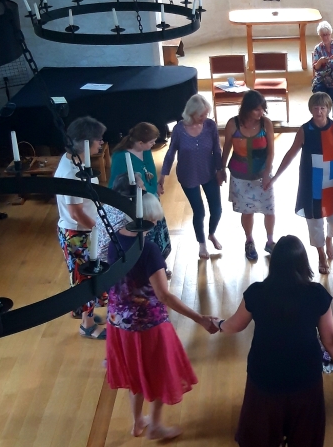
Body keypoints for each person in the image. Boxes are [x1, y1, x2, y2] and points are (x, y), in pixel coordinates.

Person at [214, 235, 333, 447]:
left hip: (264, 377)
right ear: (303, 263)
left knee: (262, 436)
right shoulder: (316, 294)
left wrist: (218, 324)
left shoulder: (257, 292)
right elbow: (331, 339)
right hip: (305, 377)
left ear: (275, 263)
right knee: (304, 438)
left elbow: (235, 325)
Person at [105, 190, 218, 441]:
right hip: (148, 325)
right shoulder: (149, 250)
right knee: (158, 373)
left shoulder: (113, 240)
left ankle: (137, 422)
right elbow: (164, 296)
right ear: (150, 218)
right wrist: (200, 318)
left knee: (135, 374)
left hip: (118, 324)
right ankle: (155, 425)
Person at [266, 92, 333, 274]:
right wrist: (275, 177)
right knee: (314, 221)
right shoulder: (304, 130)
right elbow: (290, 154)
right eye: (315, 108)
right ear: (310, 109)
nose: (319, 111)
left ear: (328, 109)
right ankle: (320, 254)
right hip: (312, 184)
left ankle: (329, 239)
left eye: (322, 108)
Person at [54, 116, 108, 339]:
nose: (102, 143)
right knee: (86, 277)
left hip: (80, 229)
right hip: (79, 233)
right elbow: (76, 213)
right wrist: (102, 229)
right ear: (85, 142)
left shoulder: (73, 161)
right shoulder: (71, 173)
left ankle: (79, 309)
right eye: (98, 139)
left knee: (82, 275)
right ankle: (87, 325)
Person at [159, 95, 224, 259]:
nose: (205, 118)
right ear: (191, 113)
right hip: (188, 176)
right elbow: (170, 153)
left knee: (217, 209)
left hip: (209, 173)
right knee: (199, 211)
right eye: (201, 115)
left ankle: (211, 234)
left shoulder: (210, 126)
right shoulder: (179, 130)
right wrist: (163, 176)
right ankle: (202, 244)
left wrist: (220, 169)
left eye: (206, 114)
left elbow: (217, 149)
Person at [221, 90, 276, 262]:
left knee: (269, 209)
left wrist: (267, 174)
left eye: (262, 109)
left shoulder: (266, 124)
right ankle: (249, 240)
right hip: (240, 176)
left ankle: (270, 240)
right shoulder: (233, 124)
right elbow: (227, 148)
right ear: (247, 109)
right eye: (257, 110)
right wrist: (221, 168)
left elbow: (270, 152)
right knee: (247, 211)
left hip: (261, 175)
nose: (261, 113)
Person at [110, 122, 171, 274]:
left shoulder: (146, 151)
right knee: (145, 238)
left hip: (151, 200)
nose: (153, 144)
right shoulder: (120, 157)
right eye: (151, 142)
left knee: (158, 235)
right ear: (140, 142)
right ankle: (149, 269)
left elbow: (150, 171)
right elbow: (116, 185)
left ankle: (160, 265)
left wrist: (155, 186)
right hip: (137, 206)